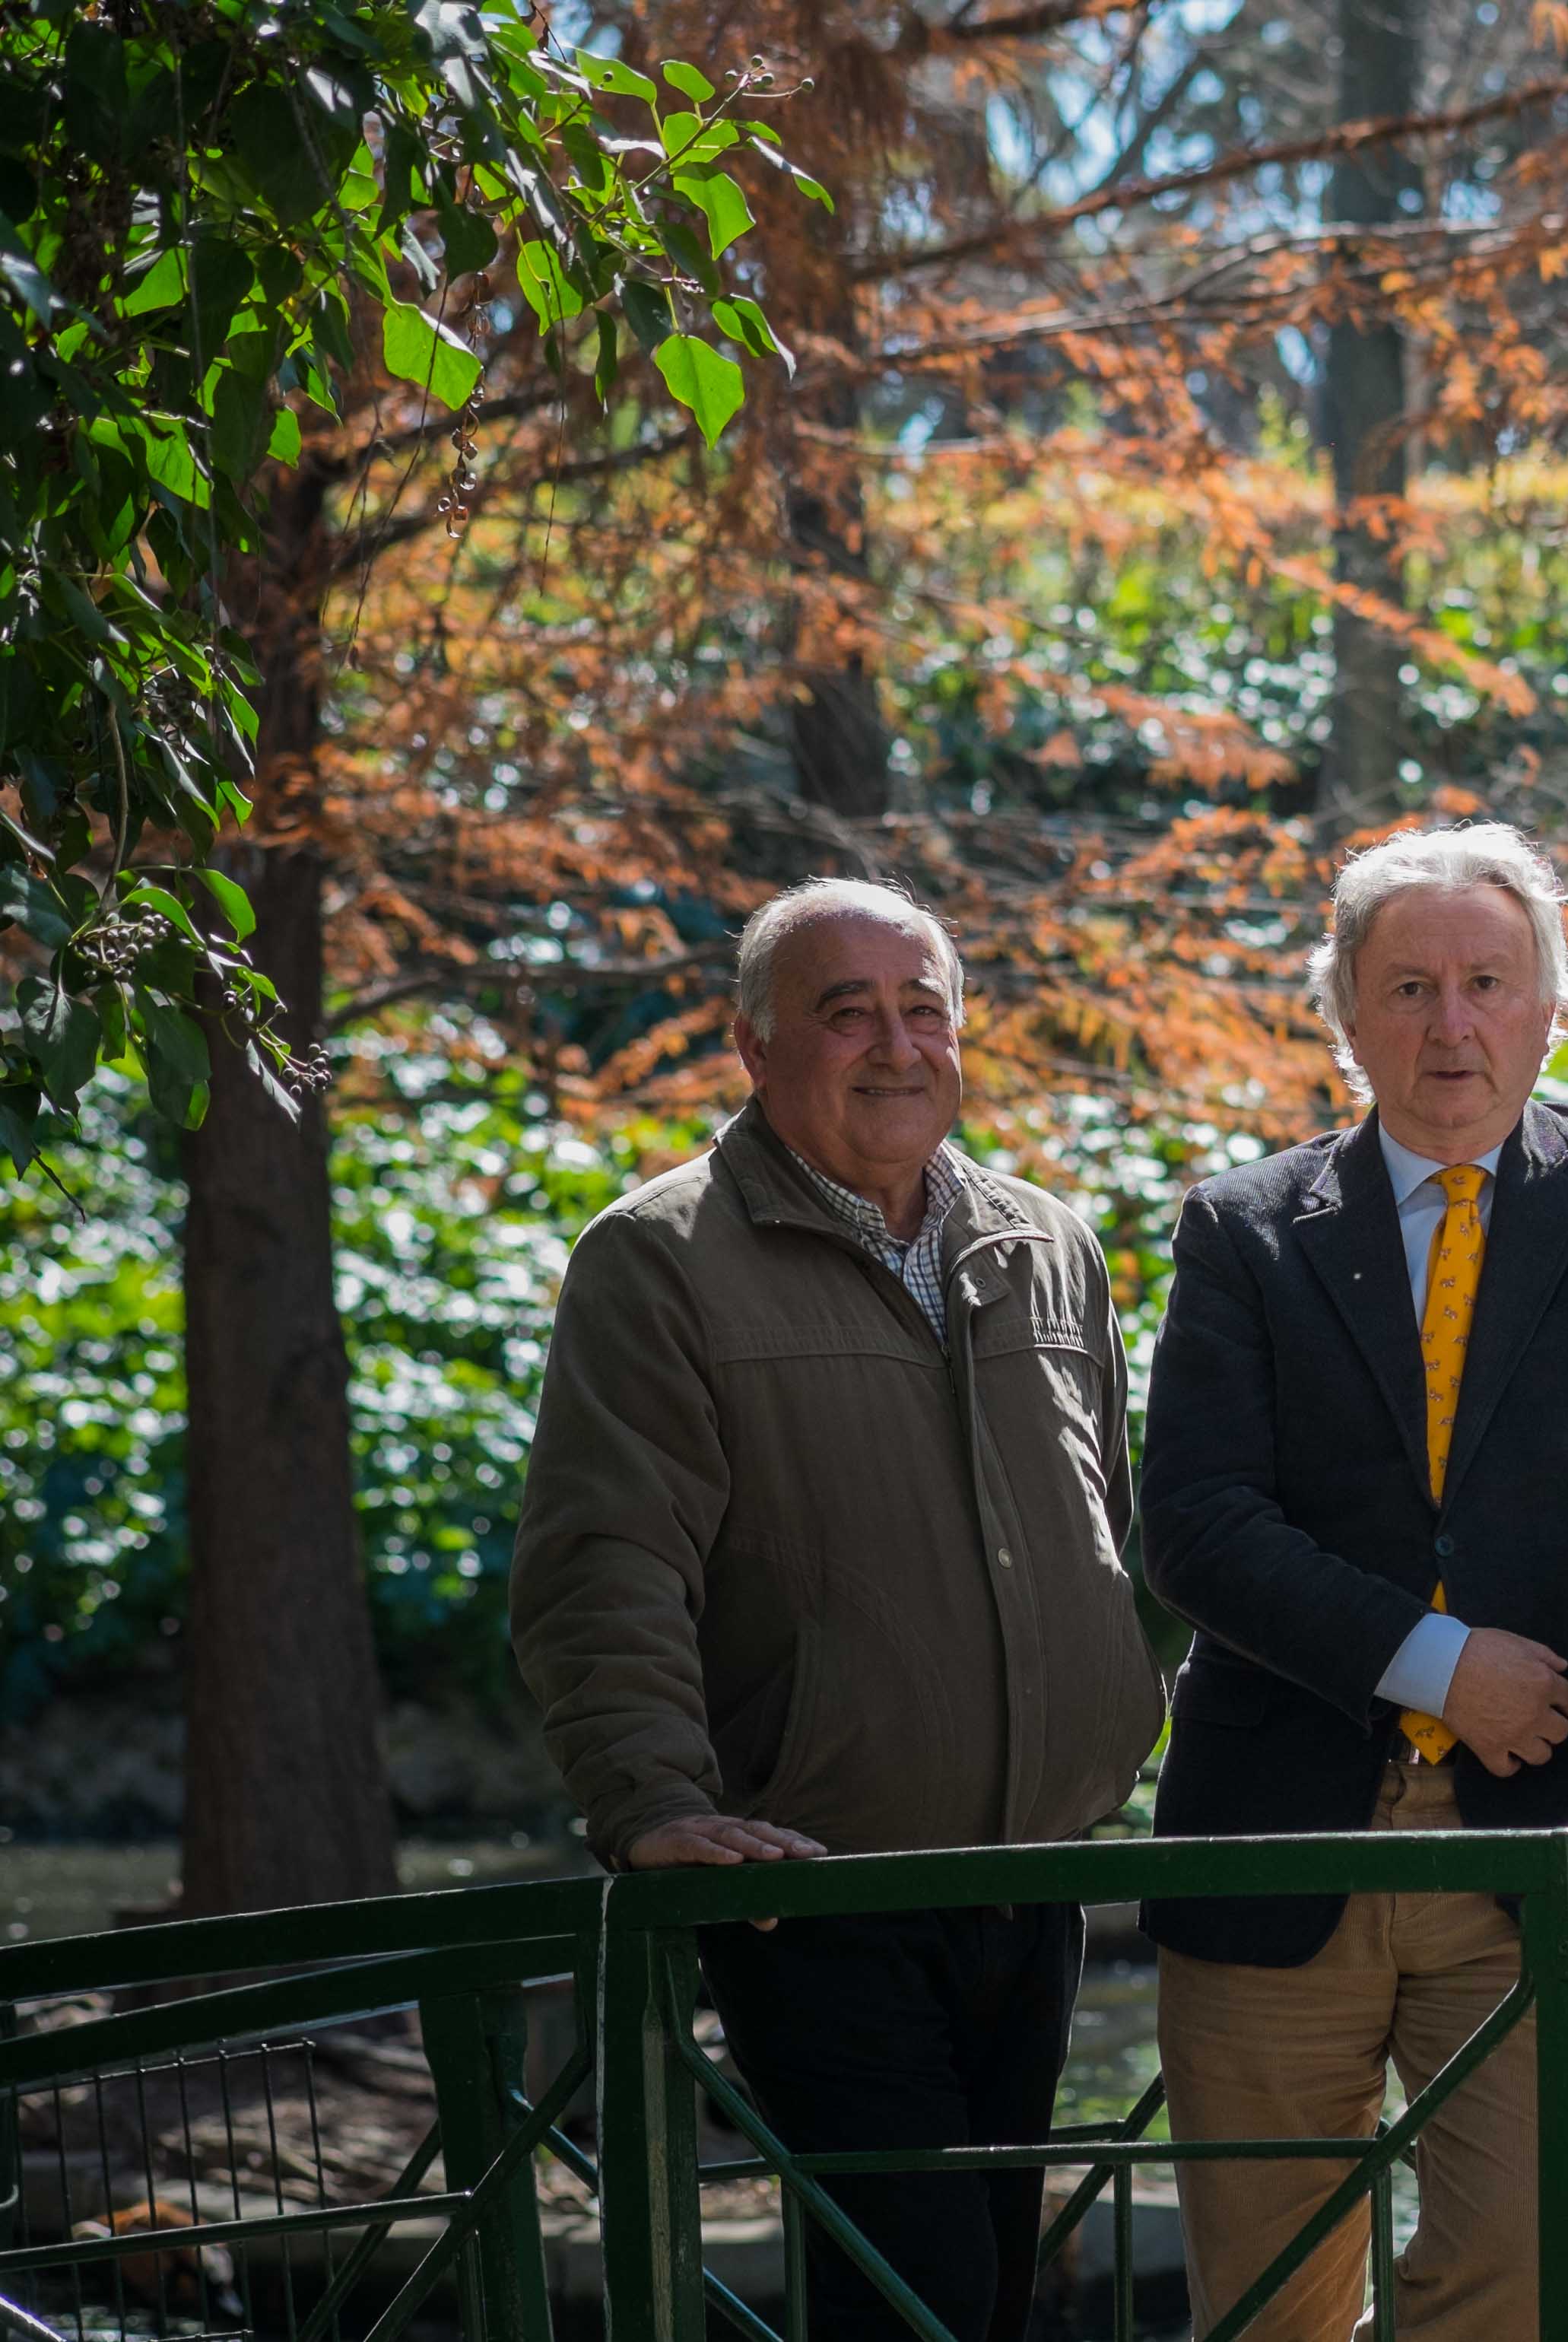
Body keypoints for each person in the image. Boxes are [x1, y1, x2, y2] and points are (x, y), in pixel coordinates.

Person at [510, 877, 1165, 2342]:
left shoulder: (1046, 1244)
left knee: (994, 2284)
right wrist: (649, 1800)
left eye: (922, 1008)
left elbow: (1103, 1517)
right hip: (816, 1884)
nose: (894, 1043)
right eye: (845, 1012)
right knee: (911, 2294)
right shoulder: (660, 1260)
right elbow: (602, 1560)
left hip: (1036, 1876)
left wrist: (1110, 1724)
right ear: (752, 1045)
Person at [1138, 822, 1568, 2342]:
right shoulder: (1243, 1226)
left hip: (1540, 1851)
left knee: (1515, 2298)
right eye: (1407, 987)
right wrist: (1430, 1658)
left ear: (1547, 1006)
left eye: (1486, 981)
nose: (1449, 1024)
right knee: (1267, 2306)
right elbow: (1195, 1521)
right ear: (1344, 1014)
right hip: (1273, 1842)